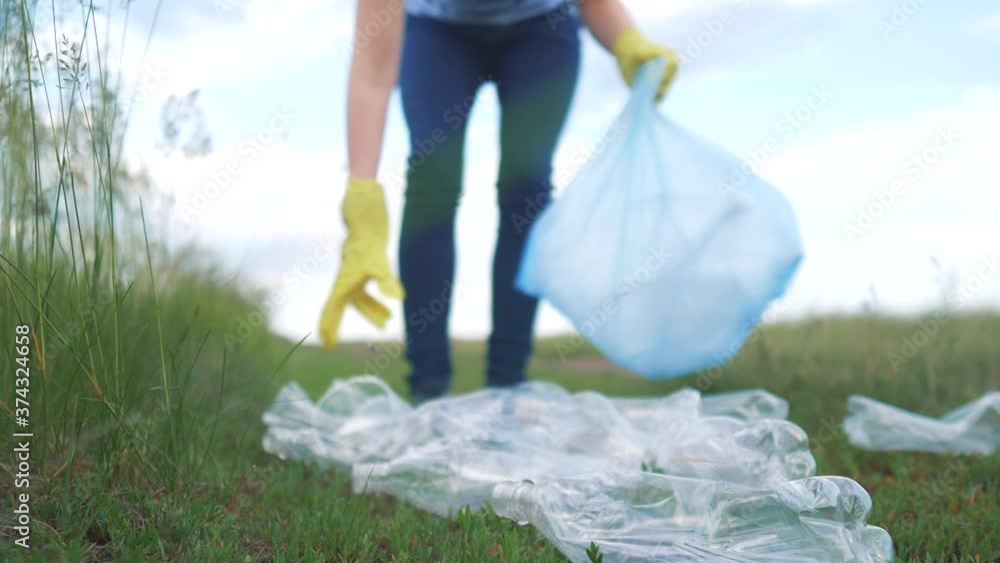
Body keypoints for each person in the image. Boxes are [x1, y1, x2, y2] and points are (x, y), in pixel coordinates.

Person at [319, 0, 680, 402]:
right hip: (437, 32)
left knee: (526, 184)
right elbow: (373, 72)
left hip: (541, 28)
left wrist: (627, 40)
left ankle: (507, 388)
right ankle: (428, 387)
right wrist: (362, 192)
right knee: (433, 177)